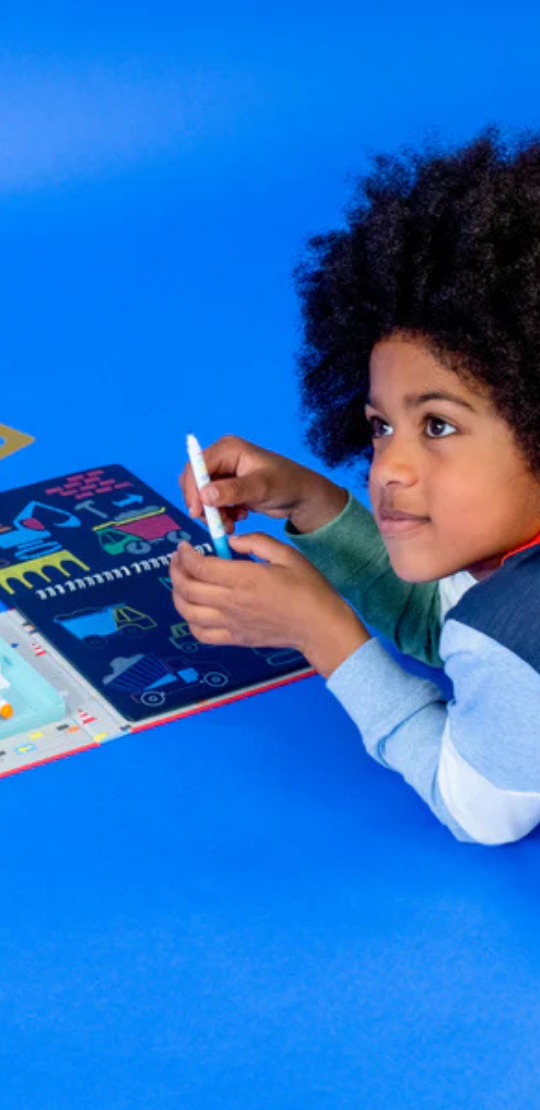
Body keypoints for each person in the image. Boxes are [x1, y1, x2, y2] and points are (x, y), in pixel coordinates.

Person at [172, 129, 540, 846]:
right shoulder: (502, 580)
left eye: (437, 425)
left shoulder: (516, 628)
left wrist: (322, 633)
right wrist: (308, 500)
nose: (388, 469)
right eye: (379, 426)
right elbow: (443, 626)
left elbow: (478, 810)